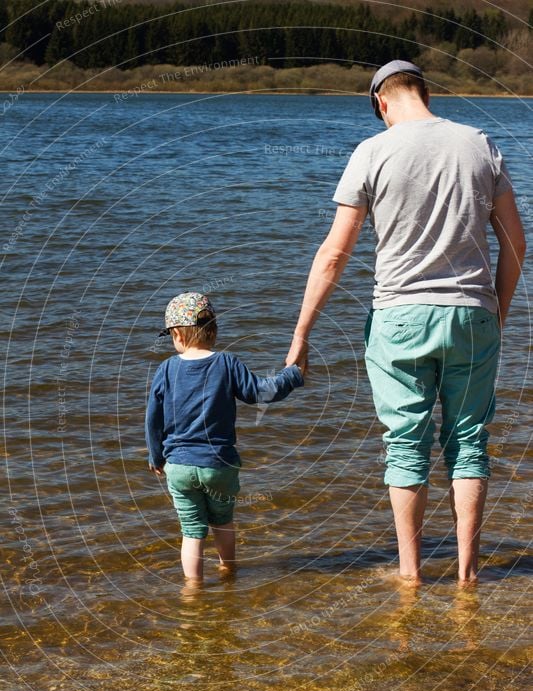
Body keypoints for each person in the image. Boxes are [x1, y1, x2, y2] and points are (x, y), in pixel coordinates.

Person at [286, 60, 526, 585]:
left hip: (399, 316)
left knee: (405, 443)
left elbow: (334, 255)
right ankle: (467, 573)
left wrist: (302, 333)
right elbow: (516, 243)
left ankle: (411, 573)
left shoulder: (373, 151)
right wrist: (496, 316)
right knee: (468, 440)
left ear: (381, 102)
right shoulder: (479, 143)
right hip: (473, 315)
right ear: (424, 93)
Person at [146, 292, 303, 585]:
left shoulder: (166, 369)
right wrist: (291, 375)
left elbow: (153, 419)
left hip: (178, 465)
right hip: (219, 465)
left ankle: (193, 590)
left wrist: (156, 456)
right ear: (214, 331)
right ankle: (228, 572)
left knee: (192, 531)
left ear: (177, 334)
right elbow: (261, 392)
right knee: (223, 522)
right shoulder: (227, 363)